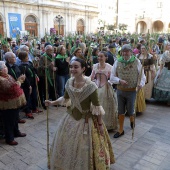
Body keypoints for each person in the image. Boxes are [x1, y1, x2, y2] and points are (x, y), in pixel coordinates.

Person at [45, 57, 115, 170]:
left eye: (76, 67)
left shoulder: (91, 86)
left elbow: (97, 107)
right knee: (67, 145)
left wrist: (100, 125)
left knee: (83, 147)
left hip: (86, 121)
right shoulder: (69, 82)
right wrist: (52, 102)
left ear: (83, 69)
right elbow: (65, 98)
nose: (72, 69)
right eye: (71, 67)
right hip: (70, 118)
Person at [110, 44, 146, 138]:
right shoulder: (117, 61)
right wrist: (119, 81)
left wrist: (140, 85)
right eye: (123, 51)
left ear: (131, 52)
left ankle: (131, 120)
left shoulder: (137, 61)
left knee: (131, 109)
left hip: (132, 91)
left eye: (127, 51)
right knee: (120, 110)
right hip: (120, 90)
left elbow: (142, 76)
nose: (125, 53)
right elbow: (112, 77)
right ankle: (120, 129)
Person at [0, 61, 26, 145]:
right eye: (4, 67)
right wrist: (20, 81)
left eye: (5, 67)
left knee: (15, 119)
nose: (6, 68)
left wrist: (18, 81)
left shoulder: (8, 75)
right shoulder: (1, 79)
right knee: (9, 121)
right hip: (7, 104)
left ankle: (16, 132)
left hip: (14, 103)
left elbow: (14, 84)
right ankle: (9, 138)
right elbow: (11, 89)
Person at [91, 51, 118, 131]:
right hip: (96, 87)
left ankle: (106, 124)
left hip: (106, 88)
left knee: (106, 105)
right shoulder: (95, 66)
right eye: (98, 56)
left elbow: (113, 78)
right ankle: (96, 123)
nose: (99, 58)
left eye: (101, 56)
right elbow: (92, 77)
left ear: (106, 57)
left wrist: (109, 83)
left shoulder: (109, 67)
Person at [5, 52, 26, 123]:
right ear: (8, 59)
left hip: (19, 87)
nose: (15, 58)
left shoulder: (16, 65)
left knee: (18, 104)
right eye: (13, 57)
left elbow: (20, 74)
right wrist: (18, 81)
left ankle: (17, 118)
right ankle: (14, 120)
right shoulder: (6, 68)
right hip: (11, 89)